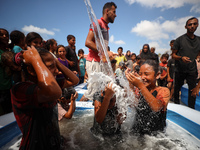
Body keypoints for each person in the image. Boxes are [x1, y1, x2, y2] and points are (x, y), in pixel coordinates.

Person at [11, 46, 79, 149]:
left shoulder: (51, 86)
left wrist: (57, 63)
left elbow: (74, 80)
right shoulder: (20, 89)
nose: (57, 71)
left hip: (53, 142)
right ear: (31, 70)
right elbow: (54, 93)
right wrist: (36, 59)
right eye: (51, 66)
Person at [125, 60, 170, 135]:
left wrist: (140, 86)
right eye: (140, 74)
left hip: (155, 137)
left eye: (146, 74)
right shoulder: (139, 90)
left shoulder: (163, 91)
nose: (142, 77)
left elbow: (156, 107)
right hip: (137, 132)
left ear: (157, 75)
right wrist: (130, 83)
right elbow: (132, 104)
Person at [172, 17, 200, 109]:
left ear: (197, 25)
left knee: (193, 92)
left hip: (192, 70)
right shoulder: (179, 40)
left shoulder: (199, 40)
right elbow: (173, 55)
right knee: (176, 90)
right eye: (190, 24)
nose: (192, 26)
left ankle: (191, 111)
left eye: (194, 24)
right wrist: (181, 58)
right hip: (180, 69)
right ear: (185, 27)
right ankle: (176, 109)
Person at [85, 2, 117, 78]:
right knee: (95, 90)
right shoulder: (98, 23)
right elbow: (88, 42)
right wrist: (106, 52)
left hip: (101, 62)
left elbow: (101, 49)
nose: (115, 15)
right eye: (114, 12)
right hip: (95, 62)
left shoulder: (106, 27)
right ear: (107, 11)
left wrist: (108, 55)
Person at [0, 28, 12, 115]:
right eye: (1, 35)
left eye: (7, 35)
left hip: (10, 88)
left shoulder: (8, 51)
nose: (5, 37)